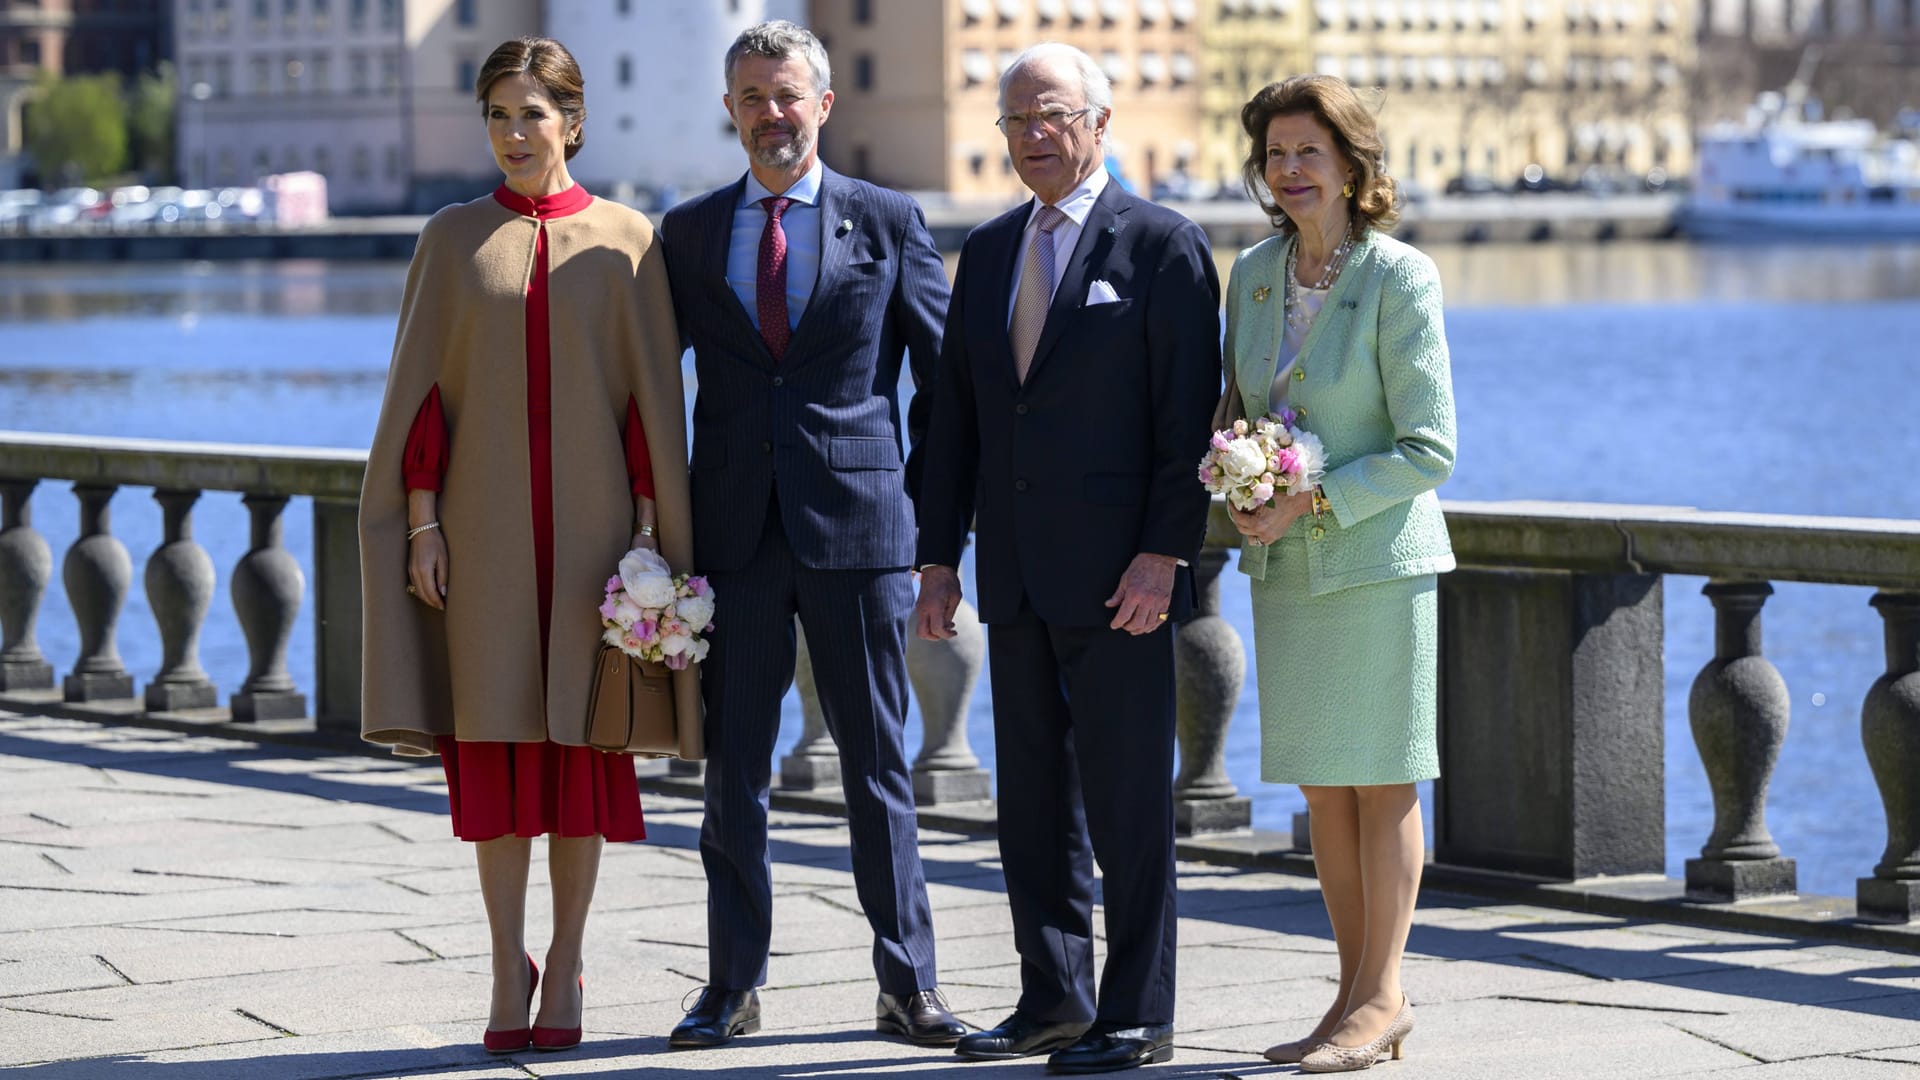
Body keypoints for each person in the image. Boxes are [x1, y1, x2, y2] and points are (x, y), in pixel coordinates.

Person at [357, 36, 696, 1056]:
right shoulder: (452, 240)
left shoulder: (630, 240)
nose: (514, 133)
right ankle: (508, 960)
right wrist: (421, 527)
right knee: (500, 762)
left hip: (597, 552)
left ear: (573, 122)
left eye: (533, 114)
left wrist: (648, 544)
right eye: (499, 114)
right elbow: (421, 405)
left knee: (580, 767)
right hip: (483, 547)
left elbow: (650, 412)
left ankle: (572, 954)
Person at [913, 41, 1220, 1075]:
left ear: (1098, 122)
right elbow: (952, 417)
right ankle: (1051, 1000)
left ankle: (1137, 1013)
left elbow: (1189, 430)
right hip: (1014, 575)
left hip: (1123, 580)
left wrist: (1163, 556)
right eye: (1015, 122)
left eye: (1051, 116)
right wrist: (937, 557)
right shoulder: (991, 250)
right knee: (1032, 803)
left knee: (1131, 804)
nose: (1033, 136)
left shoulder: (1162, 246)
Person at [657, 20, 964, 1050]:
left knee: (878, 768)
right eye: (751, 96)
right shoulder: (691, 233)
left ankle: (909, 984)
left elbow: (946, 387)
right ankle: (731, 986)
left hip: (862, 533)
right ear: (731, 110)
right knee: (732, 771)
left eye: (787, 95)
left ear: (823, 105)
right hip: (734, 537)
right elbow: (647, 387)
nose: (771, 114)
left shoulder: (884, 219)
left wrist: (933, 536)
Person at [1219, 75, 1457, 1073]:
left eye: (1308, 152)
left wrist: (1310, 496)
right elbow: (1236, 407)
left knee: (1382, 780)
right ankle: (1351, 1001)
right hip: (1285, 573)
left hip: (1376, 562)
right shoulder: (1253, 271)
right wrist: (1235, 475)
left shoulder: (1401, 278)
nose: (1290, 171)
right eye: (1275, 155)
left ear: (1353, 165)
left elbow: (1429, 447)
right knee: (1324, 789)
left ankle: (1383, 996)